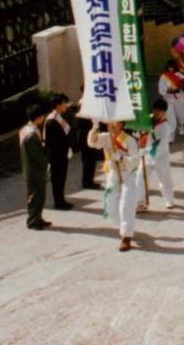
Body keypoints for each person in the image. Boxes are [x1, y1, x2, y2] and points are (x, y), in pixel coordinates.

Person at [95, 121, 143, 251]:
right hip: (113, 174)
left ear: (121, 124)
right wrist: (94, 126)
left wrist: (121, 158)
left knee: (125, 206)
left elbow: (135, 159)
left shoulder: (130, 140)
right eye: (110, 121)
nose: (111, 124)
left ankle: (126, 237)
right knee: (110, 208)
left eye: (115, 121)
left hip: (128, 175)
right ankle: (125, 227)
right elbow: (93, 142)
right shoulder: (106, 137)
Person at [141, 97, 176, 209]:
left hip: (160, 155)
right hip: (146, 154)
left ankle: (169, 200)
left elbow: (160, 145)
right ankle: (140, 201)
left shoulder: (165, 126)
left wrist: (146, 152)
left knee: (164, 179)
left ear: (163, 112)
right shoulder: (148, 119)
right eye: (154, 110)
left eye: (159, 111)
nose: (155, 112)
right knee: (140, 177)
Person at [19, 105, 51, 230]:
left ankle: (38, 217)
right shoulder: (31, 134)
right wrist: (46, 164)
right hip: (34, 170)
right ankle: (33, 220)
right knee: (36, 196)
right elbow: (36, 155)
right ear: (38, 117)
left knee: (38, 195)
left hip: (32, 169)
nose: (43, 118)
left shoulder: (27, 129)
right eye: (42, 116)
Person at [44, 93, 74, 210]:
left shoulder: (59, 117)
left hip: (62, 154)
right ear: (58, 105)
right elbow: (53, 142)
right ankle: (58, 202)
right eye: (63, 103)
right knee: (57, 179)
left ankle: (62, 200)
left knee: (62, 178)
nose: (65, 105)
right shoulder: (52, 120)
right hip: (56, 156)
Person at [71, 103, 102, 190]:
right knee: (88, 161)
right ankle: (87, 182)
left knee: (91, 160)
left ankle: (89, 180)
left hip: (89, 137)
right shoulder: (82, 114)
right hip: (85, 139)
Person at [158, 59, 184, 136]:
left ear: (175, 67)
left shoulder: (180, 76)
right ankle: (171, 134)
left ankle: (181, 126)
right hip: (168, 99)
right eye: (169, 67)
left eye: (172, 67)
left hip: (179, 99)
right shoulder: (163, 76)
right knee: (170, 117)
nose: (171, 69)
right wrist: (168, 90)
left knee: (180, 115)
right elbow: (161, 89)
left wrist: (180, 89)